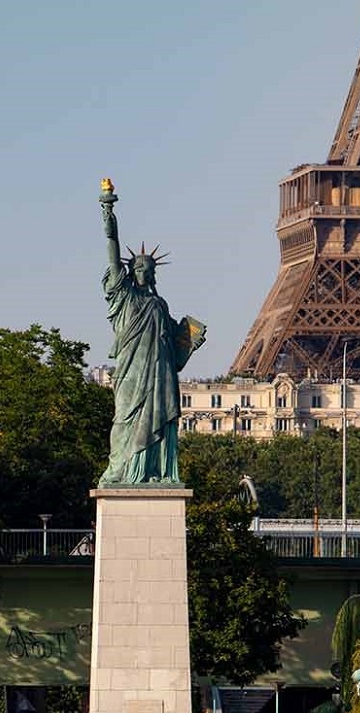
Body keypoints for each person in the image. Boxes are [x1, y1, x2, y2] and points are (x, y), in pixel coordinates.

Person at [97, 179, 206, 486]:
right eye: (140, 268)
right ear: (131, 272)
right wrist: (109, 214)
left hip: (159, 373)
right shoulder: (124, 296)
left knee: (158, 418)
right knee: (125, 421)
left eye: (149, 269)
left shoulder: (159, 303)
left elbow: (174, 345)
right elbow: (112, 251)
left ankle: (154, 471)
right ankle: (125, 470)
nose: (145, 272)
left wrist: (190, 340)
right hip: (132, 373)